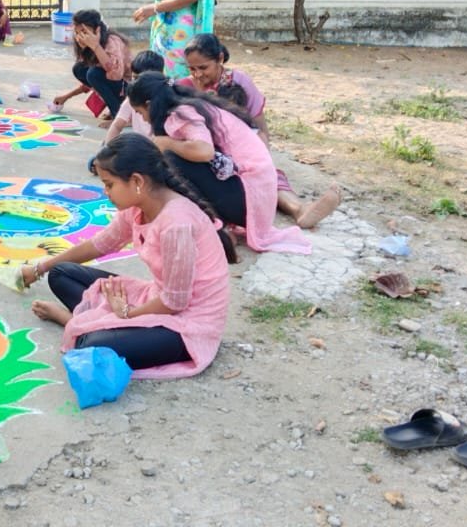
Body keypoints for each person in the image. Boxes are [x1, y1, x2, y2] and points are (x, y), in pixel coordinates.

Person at [16, 134, 232, 377]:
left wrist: (126, 313)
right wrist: (39, 268)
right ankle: (90, 324)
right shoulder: (138, 207)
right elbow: (100, 244)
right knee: (61, 273)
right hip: (155, 299)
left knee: (90, 348)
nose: (106, 192)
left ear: (137, 181)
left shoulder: (176, 224)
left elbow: (175, 303)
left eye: (109, 184)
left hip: (187, 324)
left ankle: (73, 323)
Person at [127, 73, 311, 255]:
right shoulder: (190, 105)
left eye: (140, 113)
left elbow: (204, 151)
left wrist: (167, 143)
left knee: (172, 159)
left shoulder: (182, 114)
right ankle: (216, 223)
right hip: (255, 196)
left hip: (249, 199)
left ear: (149, 105)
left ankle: (216, 227)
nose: (143, 119)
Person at [180, 34, 341, 229]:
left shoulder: (239, 81)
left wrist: (262, 156)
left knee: (268, 176)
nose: (197, 74)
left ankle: (299, 209)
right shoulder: (184, 87)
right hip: (208, 154)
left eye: (203, 67)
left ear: (220, 59)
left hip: (242, 150)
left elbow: (259, 125)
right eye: (192, 69)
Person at [51, 10, 131, 126]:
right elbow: (91, 82)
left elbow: (116, 75)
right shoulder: (88, 47)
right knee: (79, 69)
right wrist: (66, 97)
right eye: (77, 33)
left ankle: (121, 117)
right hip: (117, 88)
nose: (80, 37)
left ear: (97, 30)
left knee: (93, 73)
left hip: (129, 90)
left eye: (84, 32)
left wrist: (96, 46)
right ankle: (117, 109)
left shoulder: (112, 41)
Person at [103, 51, 165, 144]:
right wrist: (108, 148)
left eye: (141, 79)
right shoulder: (132, 97)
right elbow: (117, 126)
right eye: (134, 78)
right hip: (140, 146)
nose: (137, 83)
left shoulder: (164, 100)